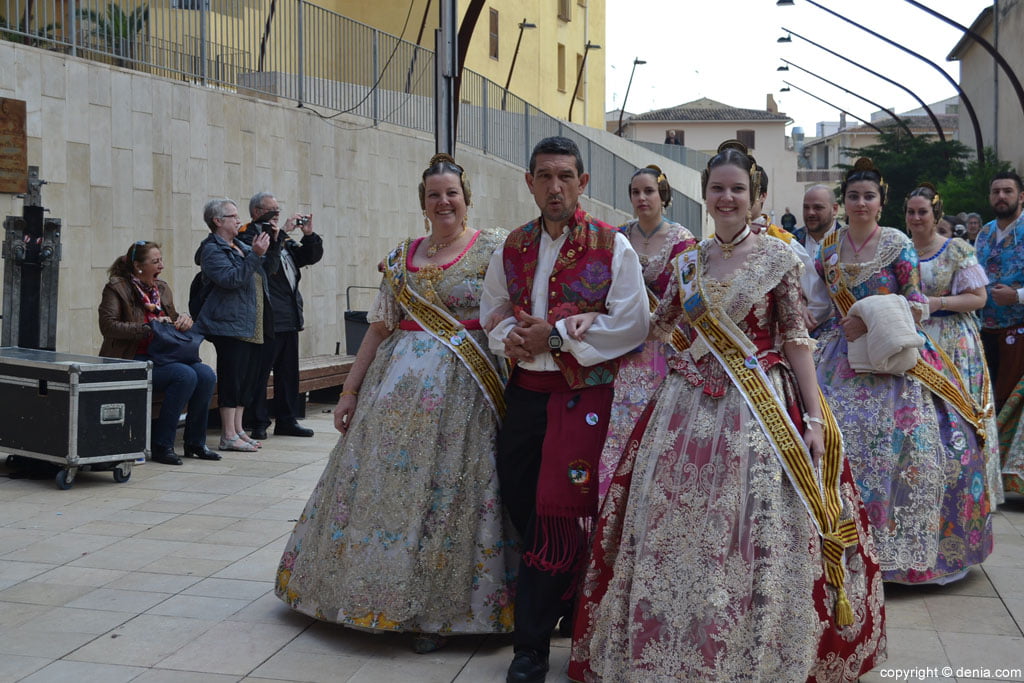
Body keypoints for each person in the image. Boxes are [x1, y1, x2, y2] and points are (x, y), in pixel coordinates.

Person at [569, 141, 884, 682]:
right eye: (718, 188)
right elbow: (658, 322)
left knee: (751, 530)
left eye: (738, 188)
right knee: (675, 529)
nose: (728, 197)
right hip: (685, 407)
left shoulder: (779, 259)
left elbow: (795, 338)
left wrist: (812, 419)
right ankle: (670, 640)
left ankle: (749, 646)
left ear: (756, 196)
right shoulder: (687, 261)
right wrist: (587, 319)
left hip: (759, 408)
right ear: (705, 195)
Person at [274, 154, 517, 654]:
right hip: (393, 398)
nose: (443, 201)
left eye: (451, 192)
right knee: (388, 492)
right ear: (422, 203)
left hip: (465, 399)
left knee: (450, 495)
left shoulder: (493, 250)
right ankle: (368, 595)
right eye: (433, 195)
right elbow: (380, 328)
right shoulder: (402, 255)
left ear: (465, 198)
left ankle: (438, 611)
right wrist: (349, 390)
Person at [480, 136, 649, 683]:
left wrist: (553, 338)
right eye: (544, 176)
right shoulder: (513, 245)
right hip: (526, 389)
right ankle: (566, 595)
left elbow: (632, 322)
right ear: (529, 182)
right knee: (519, 492)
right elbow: (494, 310)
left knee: (559, 509)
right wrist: (514, 337)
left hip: (583, 394)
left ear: (584, 183)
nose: (555, 187)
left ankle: (529, 648)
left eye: (566, 176)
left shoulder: (611, 245)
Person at [815, 158, 993, 584]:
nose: (861, 203)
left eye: (869, 196)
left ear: (881, 202)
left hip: (893, 356)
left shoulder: (897, 243)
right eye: (854, 196)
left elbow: (915, 302)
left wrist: (869, 315)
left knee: (914, 447)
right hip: (840, 356)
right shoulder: (828, 247)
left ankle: (903, 556)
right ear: (844, 202)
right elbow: (822, 304)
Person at [597, 165, 696, 501]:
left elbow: (690, 300)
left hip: (666, 352)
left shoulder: (684, 242)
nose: (641, 198)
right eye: (635, 192)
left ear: (662, 195)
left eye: (649, 191)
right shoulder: (616, 237)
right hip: (622, 351)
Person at [906, 183, 1002, 510]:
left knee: (957, 423)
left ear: (936, 215)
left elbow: (979, 297)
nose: (917, 218)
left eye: (923, 212)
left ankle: (966, 506)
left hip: (954, 342)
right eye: (911, 212)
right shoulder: (899, 249)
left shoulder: (955, 249)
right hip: (914, 342)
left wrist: (933, 303)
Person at [99, 241, 219, 465]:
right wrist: (149, 327)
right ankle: (162, 444)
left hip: (163, 356)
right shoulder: (117, 288)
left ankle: (195, 442)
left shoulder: (160, 288)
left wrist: (183, 320)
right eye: (155, 262)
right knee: (185, 375)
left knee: (206, 374)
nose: (161, 266)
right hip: (131, 358)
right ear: (137, 266)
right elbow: (108, 326)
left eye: (161, 260)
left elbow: (171, 322)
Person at [237, 192, 324, 440]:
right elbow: (264, 264)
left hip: (289, 313)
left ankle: (287, 420)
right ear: (256, 212)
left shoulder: (283, 240)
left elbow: (309, 257)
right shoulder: (248, 234)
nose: (276, 213)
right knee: (261, 372)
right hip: (266, 315)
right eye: (271, 209)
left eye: (278, 208)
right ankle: (258, 421)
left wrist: (308, 235)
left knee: (288, 373)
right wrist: (282, 232)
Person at [192, 198, 271, 453]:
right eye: (233, 216)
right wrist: (255, 256)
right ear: (218, 221)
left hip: (249, 322)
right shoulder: (212, 250)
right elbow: (231, 279)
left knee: (246, 378)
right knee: (232, 377)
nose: (239, 220)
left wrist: (270, 247)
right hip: (227, 324)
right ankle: (227, 434)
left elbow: (265, 269)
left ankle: (238, 429)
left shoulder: (238, 244)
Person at [977, 170, 1024, 495]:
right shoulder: (984, 233)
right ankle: (992, 474)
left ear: (1021, 196)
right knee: (990, 400)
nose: (1001, 197)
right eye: (996, 191)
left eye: (1008, 191)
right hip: (985, 330)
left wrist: (1018, 296)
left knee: (1013, 402)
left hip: (1020, 329)